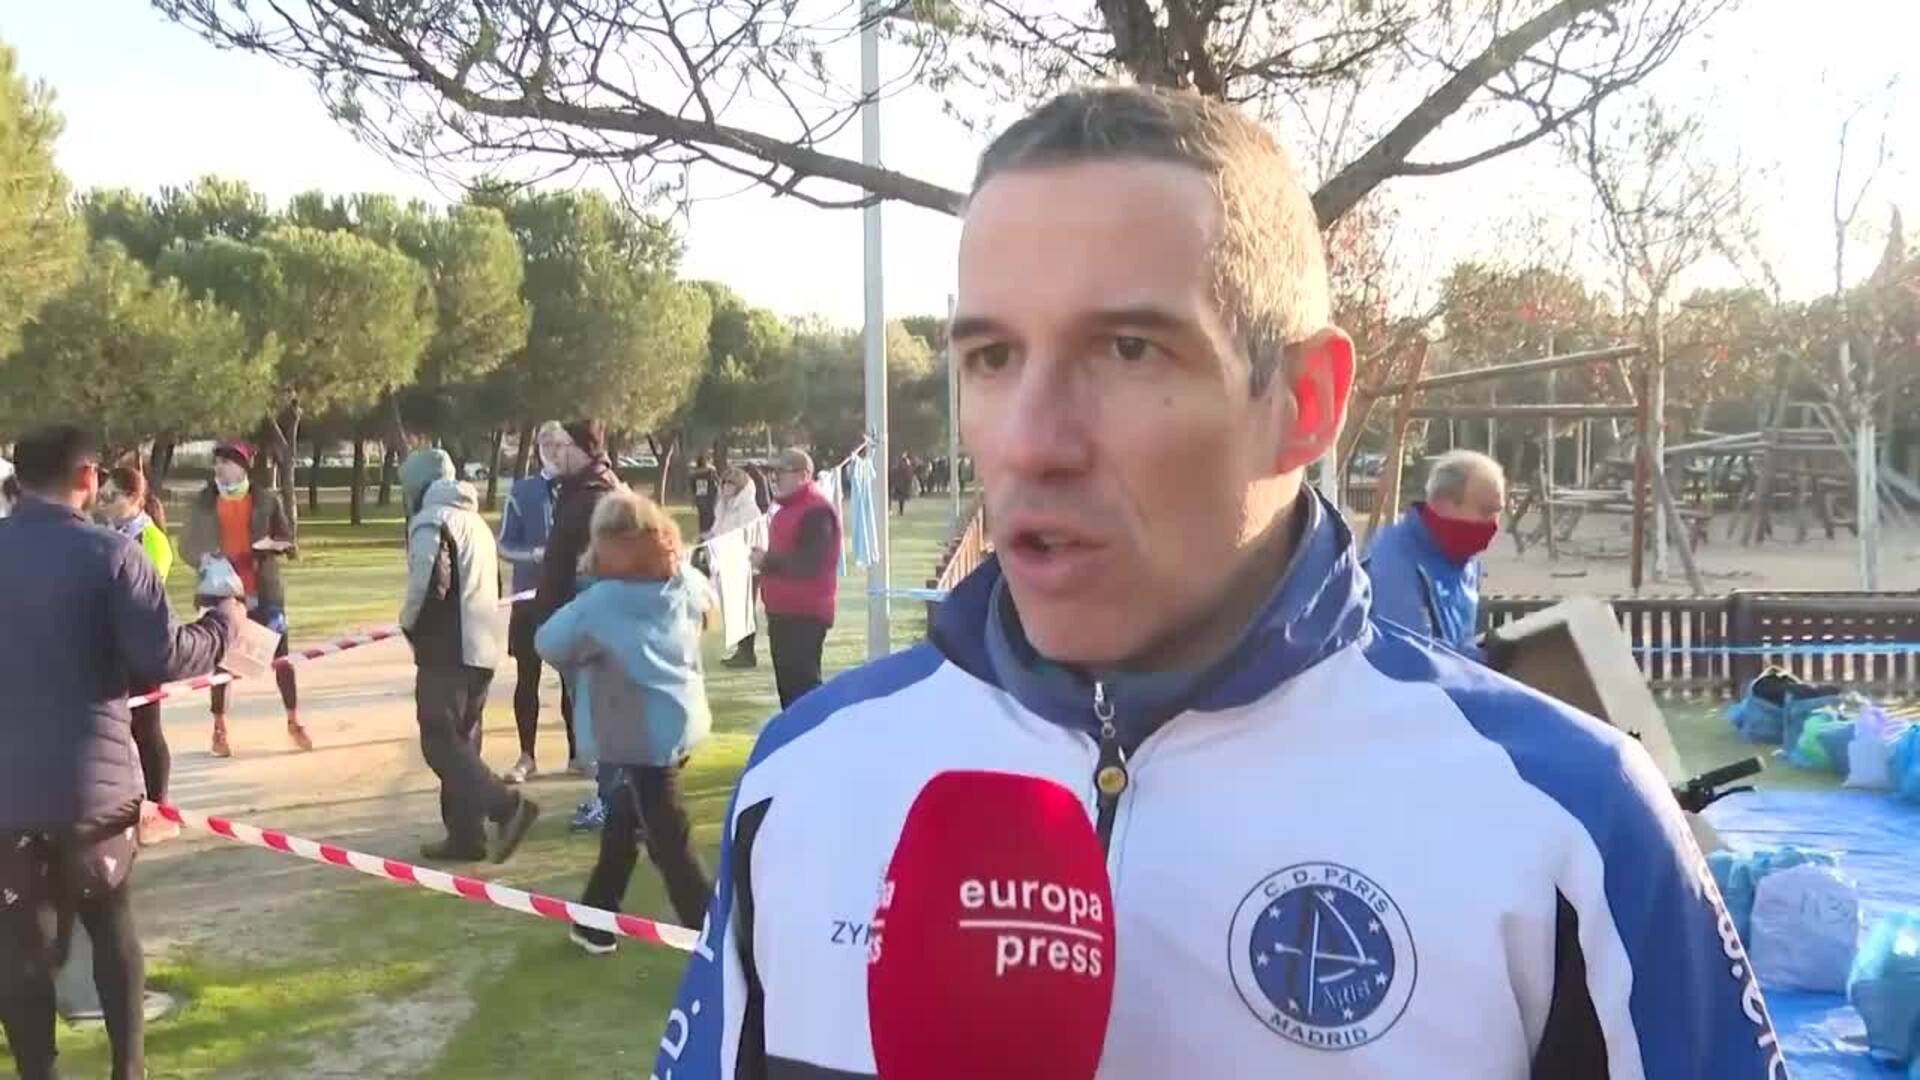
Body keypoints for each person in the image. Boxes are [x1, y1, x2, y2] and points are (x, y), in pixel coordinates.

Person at [658, 86, 1779, 1079]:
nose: (1033, 441)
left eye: (1129, 350)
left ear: (1304, 402)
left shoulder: (1566, 819)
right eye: (992, 358)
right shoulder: (807, 778)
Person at [0, 425, 240, 1080]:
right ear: (87, 478)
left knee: (17, 943)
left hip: (8, 794)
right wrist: (222, 623)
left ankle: (36, 1071)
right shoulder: (112, 555)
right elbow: (162, 656)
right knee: (110, 926)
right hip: (92, 789)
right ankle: (127, 1068)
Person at [535, 491, 716, 953]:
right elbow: (708, 605)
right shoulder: (684, 577)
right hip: (680, 719)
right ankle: (594, 918)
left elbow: (548, 642)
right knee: (625, 815)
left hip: (638, 733)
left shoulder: (601, 602)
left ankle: (712, 936)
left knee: (669, 840)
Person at [399, 454, 540, 863]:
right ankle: (466, 835)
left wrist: (408, 624)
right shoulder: (475, 521)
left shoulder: (431, 520)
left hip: (447, 648)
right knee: (462, 743)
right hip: (482, 646)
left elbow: (428, 584)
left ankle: (507, 806)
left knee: (440, 741)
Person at [180, 439, 309, 757]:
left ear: (242, 467)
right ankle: (219, 730)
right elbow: (185, 546)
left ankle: (294, 722)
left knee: (281, 659)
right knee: (222, 663)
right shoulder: (204, 501)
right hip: (221, 594)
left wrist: (272, 546)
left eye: (226, 462)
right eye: (217, 462)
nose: (219, 468)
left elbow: (287, 539)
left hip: (263, 590)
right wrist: (205, 559)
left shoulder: (266, 499)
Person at [535, 419, 625, 830]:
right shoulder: (577, 490)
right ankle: (611, 797)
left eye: (562, 446)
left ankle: (613, 802)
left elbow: (600, 571)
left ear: (584, 450)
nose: (554, 453)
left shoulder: (596, 496)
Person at [98, 466, 181, 845]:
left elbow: (141, 597)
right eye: (101, 496)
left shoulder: (153, 541)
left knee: (146, 731)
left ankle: (160, 810)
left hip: (142, 648)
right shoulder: (104, 535)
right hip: (108, 649)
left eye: (111, 497)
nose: (103, 503)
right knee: (114, 731)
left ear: (133, 498)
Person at [1365, 449, 1507, 658]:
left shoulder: (1466, 559)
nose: (1494, 524)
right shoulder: (1392, 558)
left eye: (1498, 512)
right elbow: (1409, 654)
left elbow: (1460, 643)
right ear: (1444, 504)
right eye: (1486, 511)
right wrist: (1483, 659)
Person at [497, 422, 573, 784]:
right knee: (528, 678)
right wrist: (533, 555)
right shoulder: (522, 491)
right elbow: (504, 544)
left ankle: (579, 753)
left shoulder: (581, 490)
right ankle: (526, 756)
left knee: (573, 679)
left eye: (559, 444)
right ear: (538, 449)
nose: (553, 450)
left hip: (571, 600)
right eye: (546, 444)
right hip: (529, 602)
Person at [750, 448, 840, 708]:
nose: (774, 478)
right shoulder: (786, 511)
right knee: (789, 693)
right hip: (782, 614)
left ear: (803, 475)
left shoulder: (816, 511)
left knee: (803, 691)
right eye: (772, 473)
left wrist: (767, 561)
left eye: (780, 472)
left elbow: (812, 562)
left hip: (804, 615)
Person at [704, 466, 768, 669]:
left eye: (730, 483)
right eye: (724, 482)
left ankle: (747, 653)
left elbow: (753, 538)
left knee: (745, 610)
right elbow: (718, 531)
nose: (725, 487)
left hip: (746, 566)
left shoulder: (749, 510)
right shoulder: (723, 509)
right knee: (734, 611)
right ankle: (741, 651)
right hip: (728, 564)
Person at [690, 451, 720, 539]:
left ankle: (703, 534)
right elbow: (717, 482)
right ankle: (710, 533)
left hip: (700, 496)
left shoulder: (695, 473)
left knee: (702, 516)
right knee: (711, 515)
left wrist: (694, 498)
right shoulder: (710, 471)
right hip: (710, 496)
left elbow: (693, 487)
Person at [889, 451, 916, 515]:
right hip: (902, 484)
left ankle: (898, 510)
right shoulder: (906, 464)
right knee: (901, 499)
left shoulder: (902, 463)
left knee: (900, 498)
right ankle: (900, 510)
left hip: (900, 484)